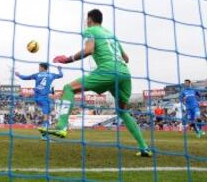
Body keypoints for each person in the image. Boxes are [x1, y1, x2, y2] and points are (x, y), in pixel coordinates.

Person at [44, 9, 152, 157]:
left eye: (86, 19)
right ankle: (144, 147)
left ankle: (61, 126)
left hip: (108, 71)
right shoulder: (111, 35)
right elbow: (126, 58)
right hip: (124, 73)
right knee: (122, 111)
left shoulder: (90, 30)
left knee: (68, 88)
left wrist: (68, 59)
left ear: (89, 19)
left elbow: (89, 50)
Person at [15, 63, 63, 140]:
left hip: (37, 97)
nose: (39, 68)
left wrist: (18, 75)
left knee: (47, 113)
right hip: (44, 98)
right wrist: (59, 69)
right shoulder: (51, 75)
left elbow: (25, 78)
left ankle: (44, 131)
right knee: (46, 115)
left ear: (42, 68)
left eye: (39, 67)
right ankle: (44, 134)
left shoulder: (37, 75)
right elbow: (61, 75)